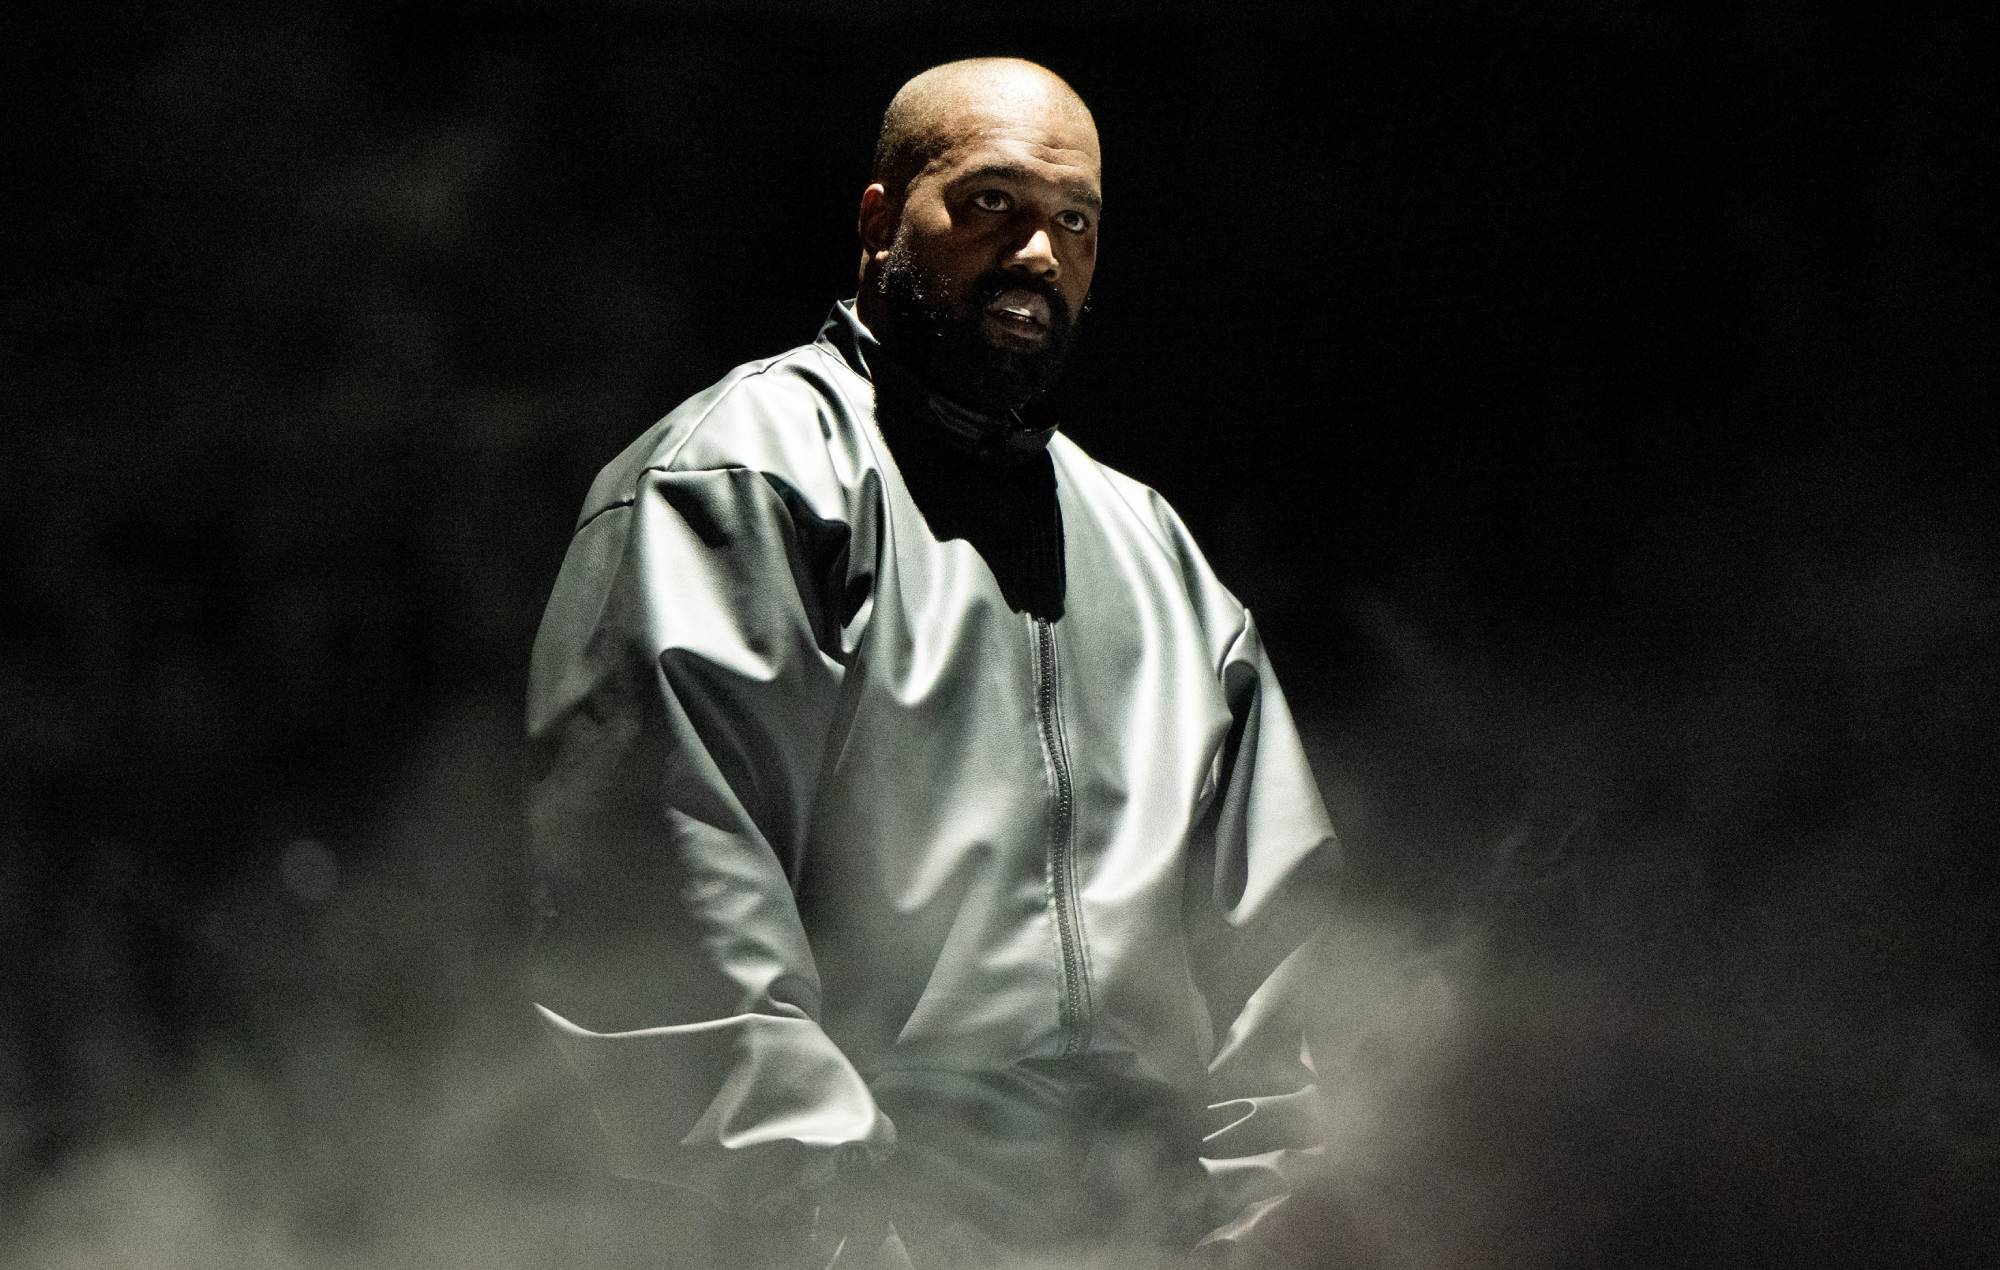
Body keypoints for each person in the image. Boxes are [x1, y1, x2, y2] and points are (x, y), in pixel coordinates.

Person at [525, 58, 1339, 1269]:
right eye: (990, 203)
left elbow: (1287, 973)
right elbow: (666, 938)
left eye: (1074, 222)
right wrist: (850, 1238)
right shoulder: (740, 483)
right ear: (876, 220)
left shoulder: (1157, 556)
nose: (1037, 253)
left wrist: (1252, 1239)